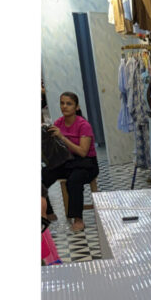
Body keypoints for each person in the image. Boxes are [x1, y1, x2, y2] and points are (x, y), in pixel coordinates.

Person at [42, 92, 99, 234]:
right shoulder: (58, 123)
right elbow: (55, 150)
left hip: (86, 163)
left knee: (74, 180)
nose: (64, 106)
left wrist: (62, 137)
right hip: (67, 161)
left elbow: (83, 152)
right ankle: (47, 212)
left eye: (69, 104)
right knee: (43, 175)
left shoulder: (83, 125)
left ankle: (78, 219)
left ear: (76, 107)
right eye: (62, 103)